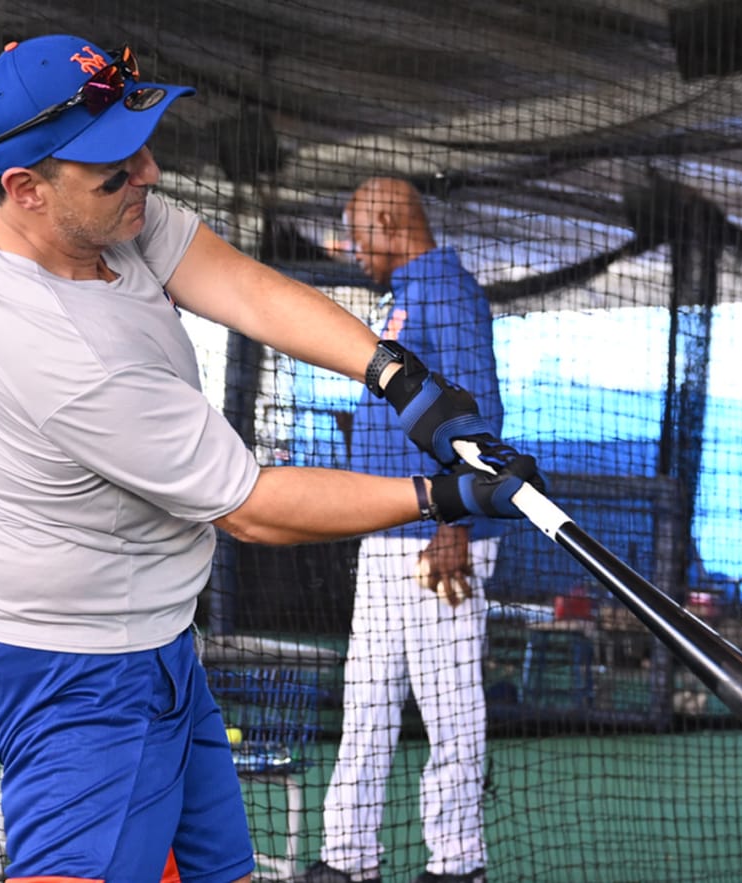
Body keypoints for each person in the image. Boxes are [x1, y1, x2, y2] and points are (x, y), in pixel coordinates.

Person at [0, 35, 545, 883]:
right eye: (116, 168)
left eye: (139, 148)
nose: (147, 173)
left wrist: (398, 377)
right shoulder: (61, 353)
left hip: (152, 642)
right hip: (73, 671)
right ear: (26, 189)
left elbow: (245, 287)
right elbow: (253, 506)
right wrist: (441, 495)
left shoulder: (88, 222)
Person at [302, 180, 501, 883]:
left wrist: (458, 522)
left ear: (389, 221)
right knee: (368, 698)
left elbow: (478, 411)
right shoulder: (404, 295)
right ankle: (348, 860)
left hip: (435, 538)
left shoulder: (448, 290)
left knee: (449, 704)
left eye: (360, 235)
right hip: (384, 528)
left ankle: (457, 864)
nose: (356, 251)